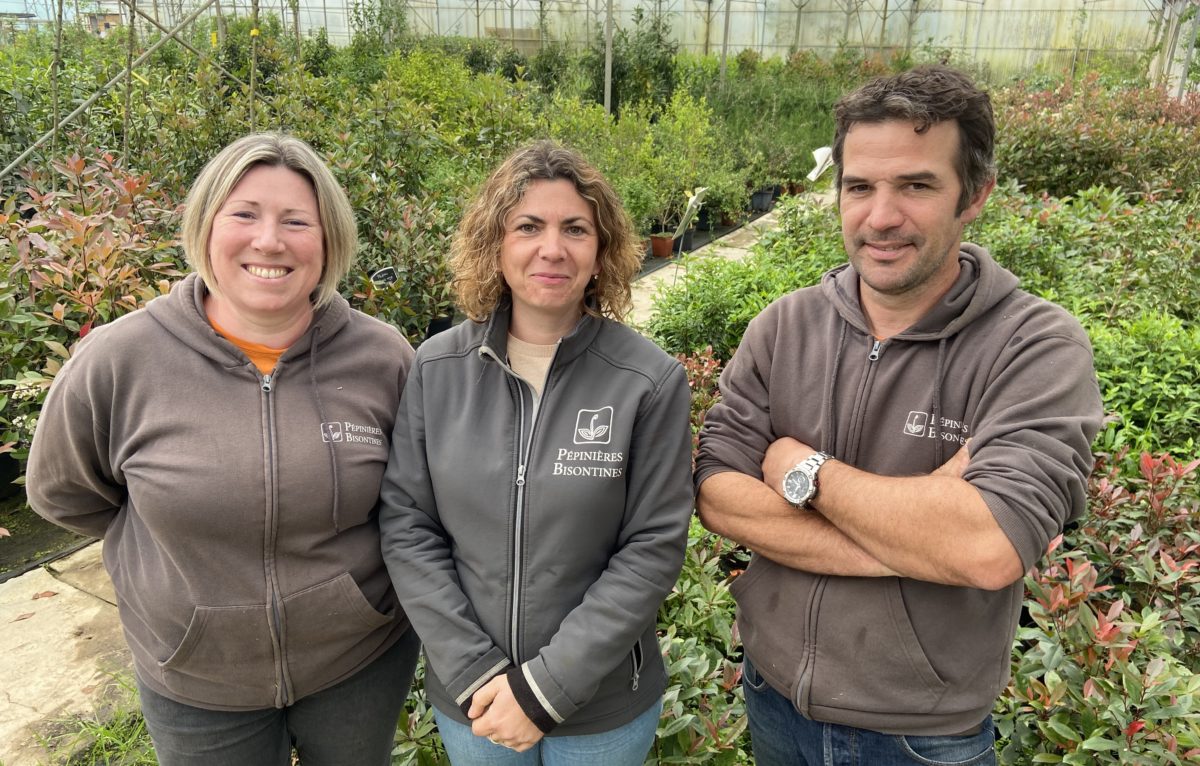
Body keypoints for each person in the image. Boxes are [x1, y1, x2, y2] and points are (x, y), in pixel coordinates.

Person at [695, 65, 1103, 765]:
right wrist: (916, 539)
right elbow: (716, 495)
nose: (880, 217)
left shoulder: (1033, 347)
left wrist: (803, 470)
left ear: (974, 194)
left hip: (921, 735)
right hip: (772, 695)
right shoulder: (785, 326)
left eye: (916, 186)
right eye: (860, 187)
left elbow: (984, 549)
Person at [26, 132, 419, 766]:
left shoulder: (382, 357)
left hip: (359, 659)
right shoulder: (120, 360)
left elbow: (411, 500)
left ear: (329, 241)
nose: (270, 241)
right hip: (196, 677)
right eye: (244, 215)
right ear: (206, 226)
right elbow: (65, 493)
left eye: (297, 221)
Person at [378, 140, 693, 765]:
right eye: (528, 226)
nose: (552, 249)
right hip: (476, 702)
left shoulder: (647, 381)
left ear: (600, 251)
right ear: (496, 244)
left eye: (575, 229)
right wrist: (475, 671)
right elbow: (408, 526)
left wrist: (546, 690)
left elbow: (651, 549)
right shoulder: (437, 367)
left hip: (601, 708)